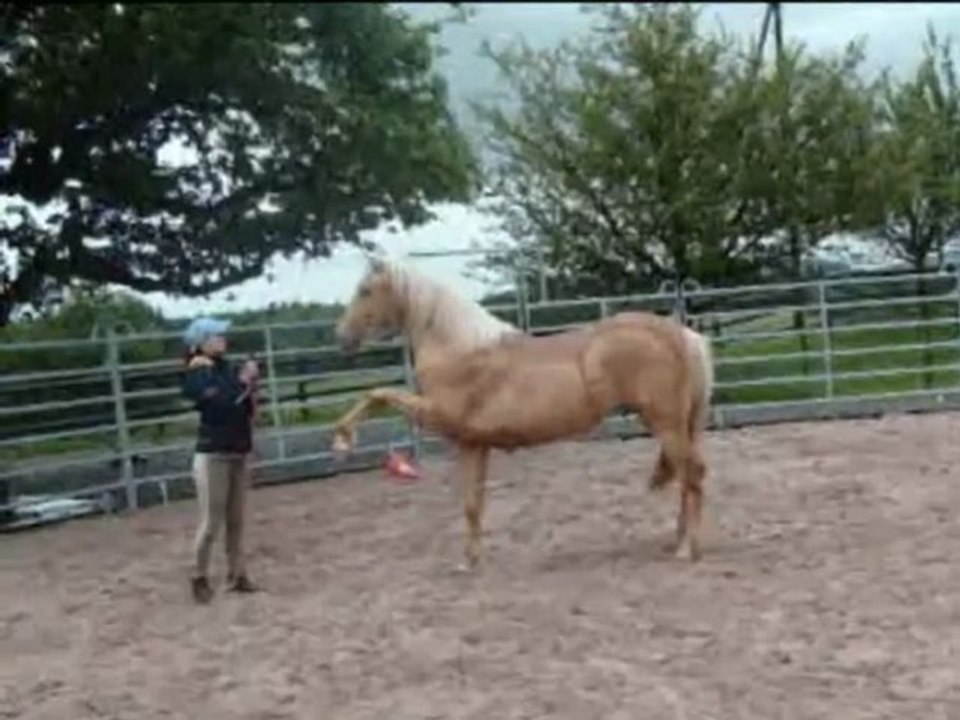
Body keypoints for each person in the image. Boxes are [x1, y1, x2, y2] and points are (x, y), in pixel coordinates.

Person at [181, 316, 260, 603]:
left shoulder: (225, 368)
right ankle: (198, 575)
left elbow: (244, 407)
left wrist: (249, 387)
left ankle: (237, 573)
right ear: (202, 341)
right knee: (212, 521)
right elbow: (219, 402)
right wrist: (243, 383)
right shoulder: (198, 371)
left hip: (236, 449)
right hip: (213, 453)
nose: (222, 339)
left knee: (236, 519)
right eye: (216, 336)